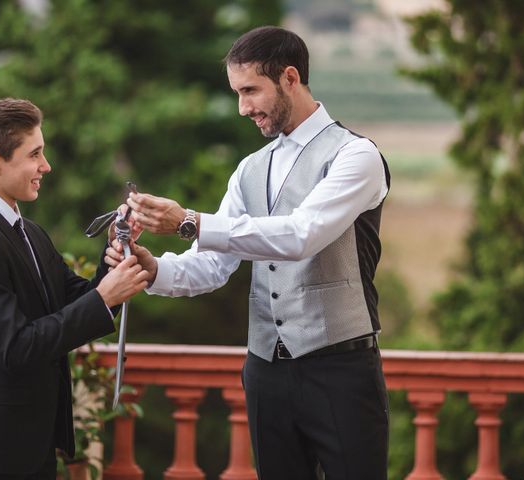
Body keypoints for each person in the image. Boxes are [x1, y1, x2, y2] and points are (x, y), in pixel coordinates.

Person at [117, 26, 391, 479]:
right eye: (237, 93)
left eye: (250, 91)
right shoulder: (249, 169)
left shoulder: (355, 156)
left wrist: (190, 221)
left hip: (341, 370)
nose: (243, 108)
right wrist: (153, 270)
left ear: (289, 78)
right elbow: (214, 265)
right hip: (266, 373)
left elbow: (299, 236)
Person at [0, 98, 149, 479]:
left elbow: (75, 299)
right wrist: (106, 297)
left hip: (32, 442)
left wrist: (113, 252)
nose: (46, 166)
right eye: (34, 153)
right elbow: (16, 346)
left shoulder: (29, 232)